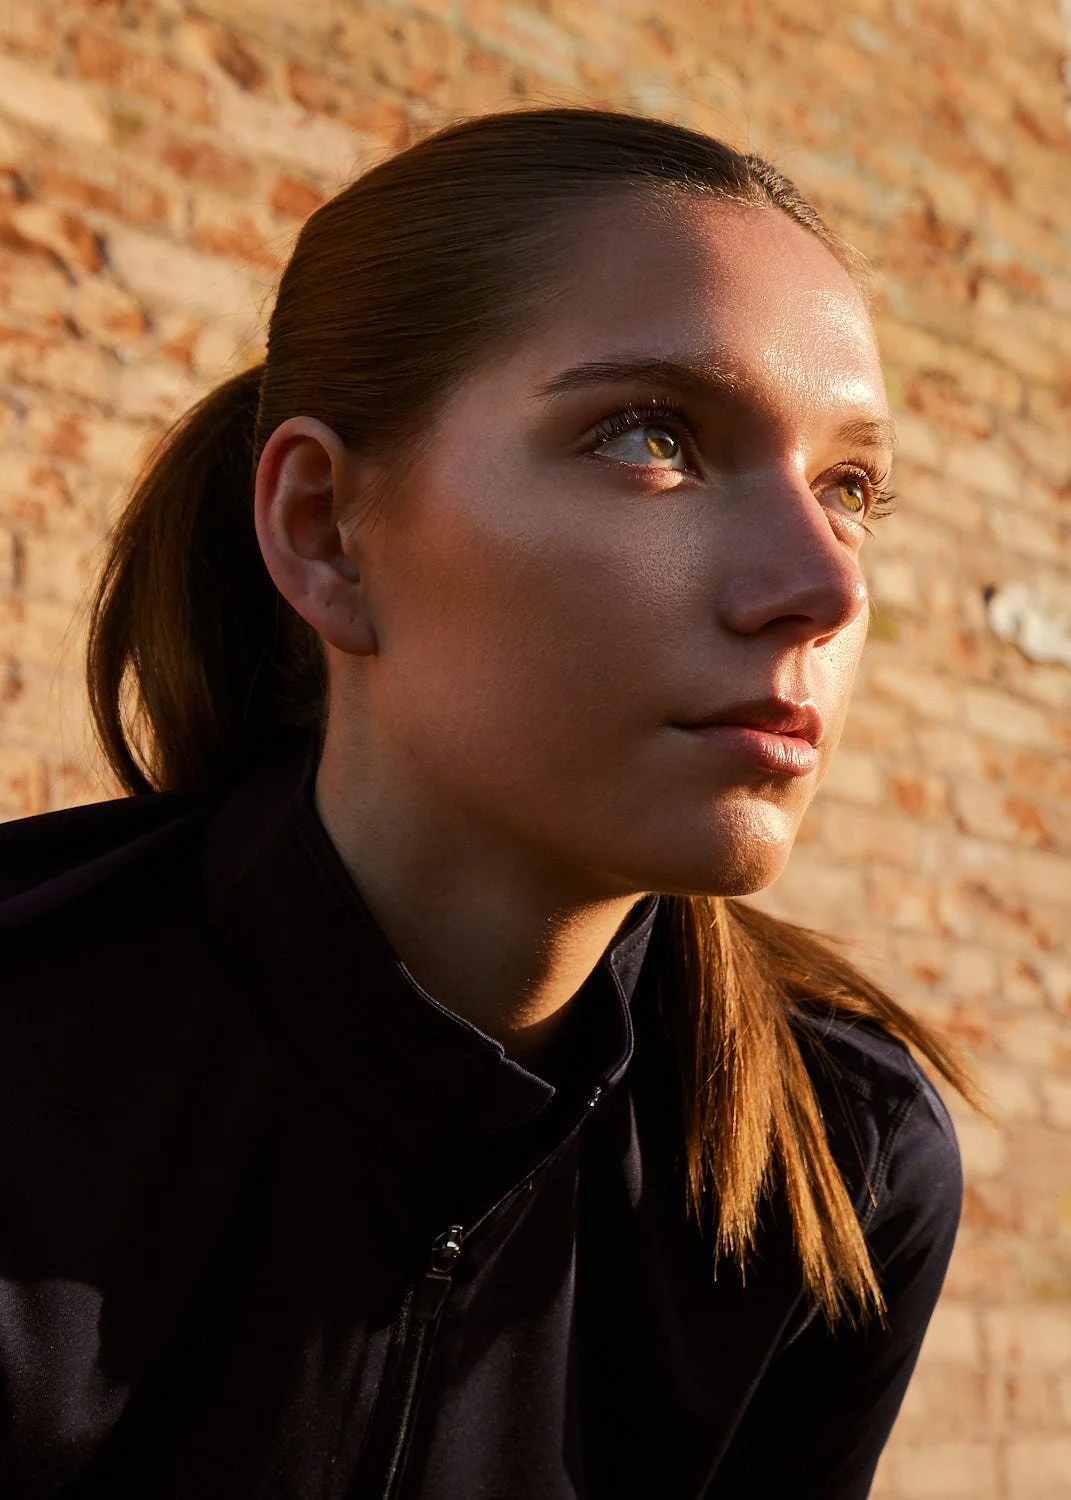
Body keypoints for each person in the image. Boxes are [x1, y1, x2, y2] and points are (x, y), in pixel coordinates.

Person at [0, 107, 974, 1499]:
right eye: (649, 438)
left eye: (849, 486)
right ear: (325, 530)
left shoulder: (838, 1171)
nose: (823, 586)